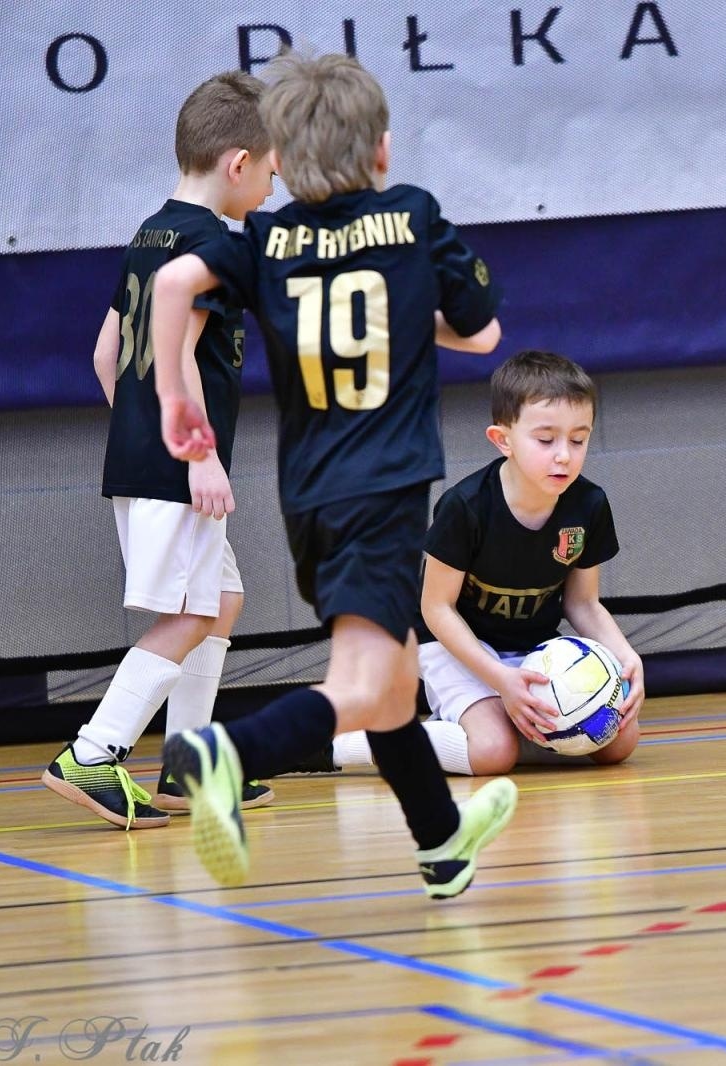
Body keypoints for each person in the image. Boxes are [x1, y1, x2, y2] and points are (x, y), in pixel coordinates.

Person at [148, 52, 516, 896]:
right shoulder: (413, 217)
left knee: (393, 681)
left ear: (281, 156)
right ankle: (219, 754)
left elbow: (173, 284)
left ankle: (442, 844)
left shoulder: (266, 239)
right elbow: (484, 333)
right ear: (381, 151)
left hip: (308, 497)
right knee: (360, 681)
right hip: (383, 492)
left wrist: (176, 398)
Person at [41, 72, 277, 830]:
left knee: (221, 598)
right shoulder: (213, 244)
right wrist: (196, 453)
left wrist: (145, 429)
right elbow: (177, 354)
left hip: (144, 456)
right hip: (180, 464)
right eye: (274, 167)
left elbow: (107, 354)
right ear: (238, 163)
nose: (278, 181)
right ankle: (94, 750)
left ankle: (186, 765)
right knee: (186, 614)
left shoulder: (152, 229)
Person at [319, 349, 644, 777]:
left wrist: (625, 656)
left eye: (578, 439)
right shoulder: (466, 507)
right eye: (546, 440)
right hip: (454, 646)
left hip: (535, 650)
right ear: (502, 439)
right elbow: (436, 609)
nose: (564, 454)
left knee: (619, 740)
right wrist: (498, 679)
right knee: (492, 752)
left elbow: (582, 603)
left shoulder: (590, 504)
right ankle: (344, 744)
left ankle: (504, 731)